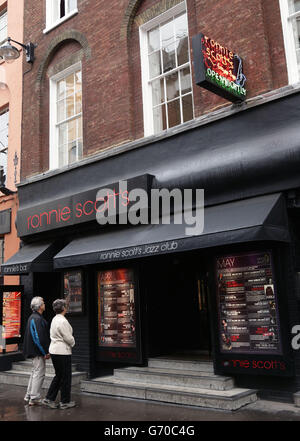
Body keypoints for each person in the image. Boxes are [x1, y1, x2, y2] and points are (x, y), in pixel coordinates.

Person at [43, 299, 76, 409]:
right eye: (66, 306)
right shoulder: (62, 321)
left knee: (59, 376)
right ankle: (64, 402)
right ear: (63, 308)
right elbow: (67, 337)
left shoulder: (54, 319)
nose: (67, 307)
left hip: (54, 350)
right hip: (63, 351)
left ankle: (49, 398)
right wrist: (73, 342)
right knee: (65, 377)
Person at [23, 296, 50, 406]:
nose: (44, 304)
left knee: (35, 372)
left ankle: (29, 395)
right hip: (37, 352)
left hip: (33, 351)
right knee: (39, 373)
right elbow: (38, 338)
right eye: (43, 303)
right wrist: (45, 352)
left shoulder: (33, 317)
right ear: (39, 306)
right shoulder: (37, 319)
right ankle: (34, 397)